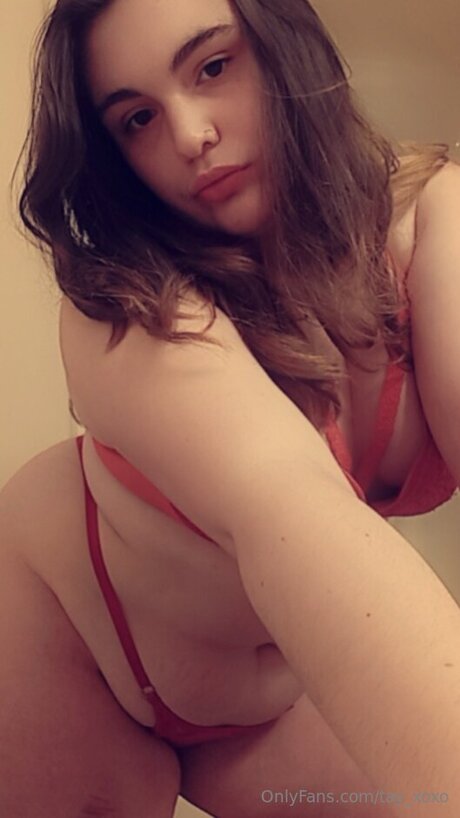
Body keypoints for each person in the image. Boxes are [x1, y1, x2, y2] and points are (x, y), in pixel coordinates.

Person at [2, 0, 460, 815]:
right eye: (138, 119)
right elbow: (288, 507)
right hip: (72, 639)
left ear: (284, 45)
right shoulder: (129, 305)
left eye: (213, 67)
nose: (188, 136)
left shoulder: (432, 217)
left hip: (275, 713)